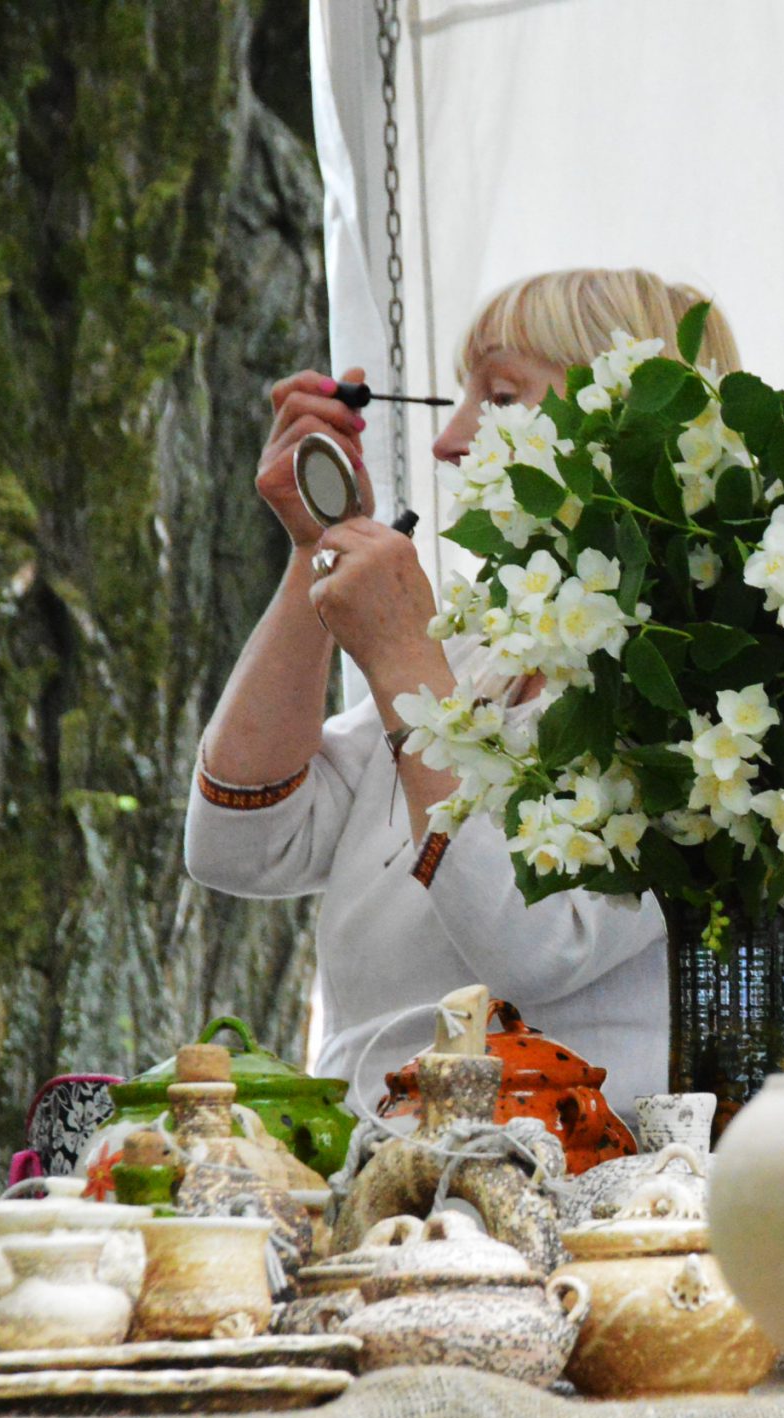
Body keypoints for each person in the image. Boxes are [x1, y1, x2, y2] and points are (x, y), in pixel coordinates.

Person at [184, 268, 742, 1129]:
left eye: (501, 396)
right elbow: (240, 845)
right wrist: (316, 549)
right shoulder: (481, 653)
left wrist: (405, 660)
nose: (447, 444)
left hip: (559, 1181)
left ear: (628, 420)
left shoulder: (705, 684)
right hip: (372, 1164)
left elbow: (537, 945)